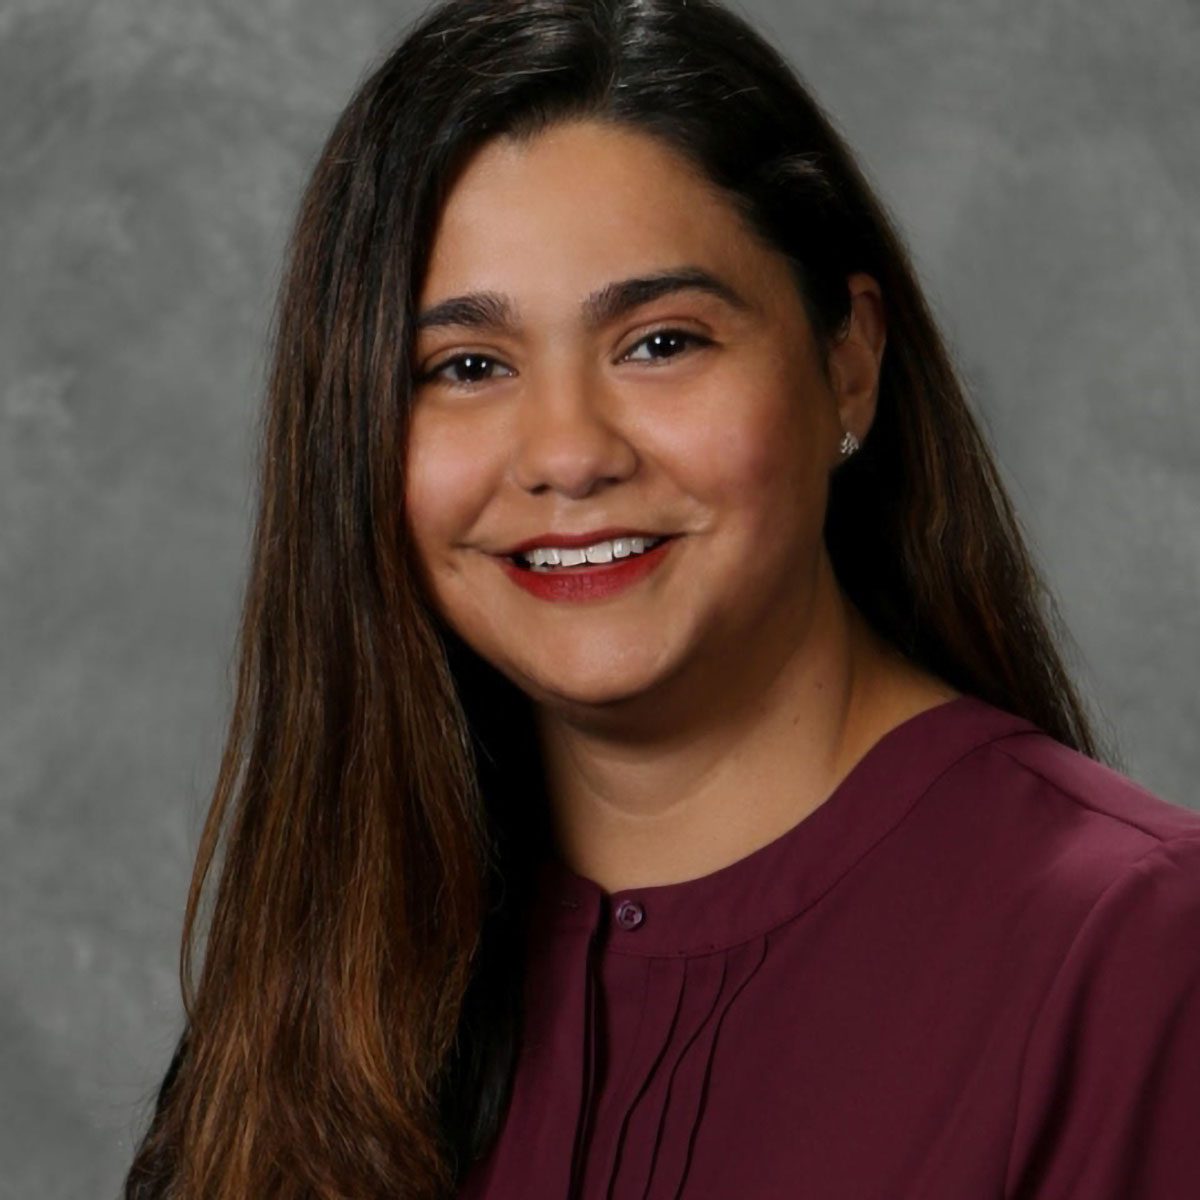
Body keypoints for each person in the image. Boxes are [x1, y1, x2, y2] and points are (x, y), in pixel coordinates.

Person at [124, 0, 1200, 1197]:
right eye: (466, 367)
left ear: (848, 360)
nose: (567, 453)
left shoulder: (1139, 952)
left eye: (660, 342)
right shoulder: (324, 989)